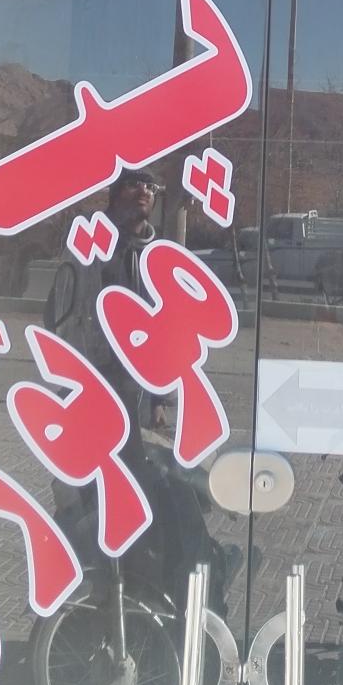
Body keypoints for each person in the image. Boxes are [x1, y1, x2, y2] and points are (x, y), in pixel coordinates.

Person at [44, 168, 220, 596]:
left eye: (150, 186)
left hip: (137, 400)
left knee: (154, 495)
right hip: (94, 397)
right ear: (115, 192)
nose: (144, 192)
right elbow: (59, 321)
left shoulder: (155, 256)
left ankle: (159, 588)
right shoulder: (88, 250)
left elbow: (166, 331)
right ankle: (98, 594)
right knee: (97, 502)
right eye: (134, 184)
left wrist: (160, 398)